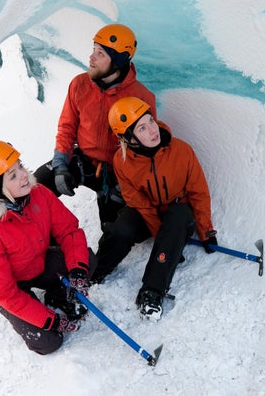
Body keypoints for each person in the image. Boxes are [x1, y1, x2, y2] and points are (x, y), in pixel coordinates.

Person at [90, 97, 218, 320]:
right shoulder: (122, 161)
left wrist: (206, 231)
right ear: (127, 138)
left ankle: (152, 291)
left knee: (180, 215)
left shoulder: (182, 151)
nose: (152, 130)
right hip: (147, 212)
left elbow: (199, 193)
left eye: (150, 121)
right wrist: (163, 237)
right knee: (123, 226)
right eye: (142, 128)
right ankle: (93, 273)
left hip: (177, 213)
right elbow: (137, 201)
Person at [0, 139, 95, 355]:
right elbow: (5, 293)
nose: (24, 175)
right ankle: (34, 311)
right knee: (48, 342)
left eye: (20, 166)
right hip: (13, 288)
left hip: (40, 263)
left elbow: (69, 231)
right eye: (13, 176)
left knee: (86, 261)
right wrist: (50, 320)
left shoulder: (39, 194)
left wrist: (77, 270)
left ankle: (57, 295)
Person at [34, 23, 157, 230]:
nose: (91, 58)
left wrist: (126, 184)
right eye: (93, 50)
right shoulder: (80, 84)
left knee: (113, 230)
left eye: (100, 54)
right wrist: (61, 165)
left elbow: (145, 150)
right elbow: (66, 128)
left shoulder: (141, 97)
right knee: (37, 186)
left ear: (118, 61)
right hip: (83, 161)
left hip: (117, 172)